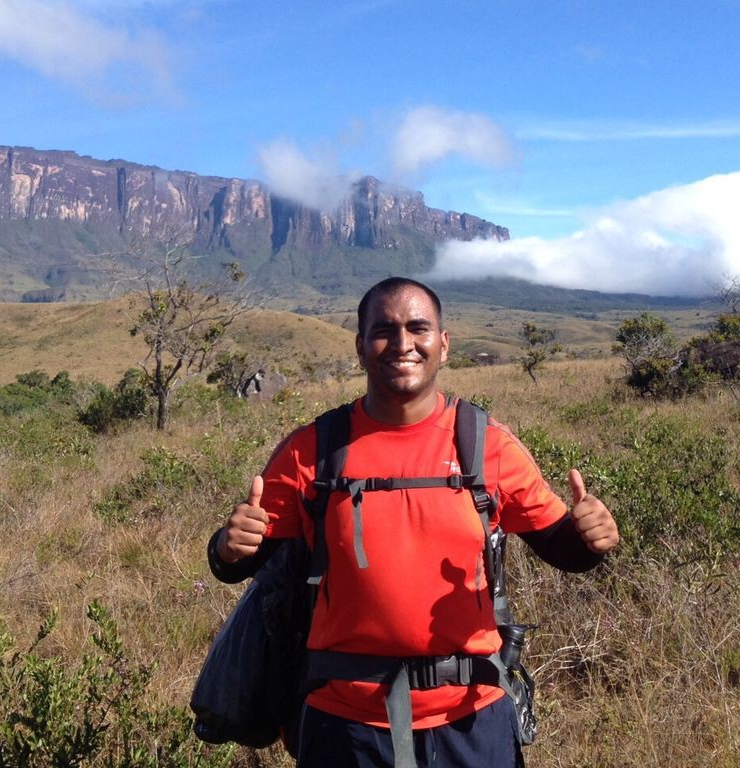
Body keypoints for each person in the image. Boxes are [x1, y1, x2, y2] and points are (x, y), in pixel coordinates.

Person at [208, 276, 619, 767]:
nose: (402, 344)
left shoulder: (487, 444)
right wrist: (228, 547)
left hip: (471, 719)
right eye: (383, 330)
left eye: (418, 328)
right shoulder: (311, 450)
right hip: (345, 724)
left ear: (443, 345)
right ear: (360, 347)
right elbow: (236, 564)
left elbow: (563, 549)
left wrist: (590, 538)